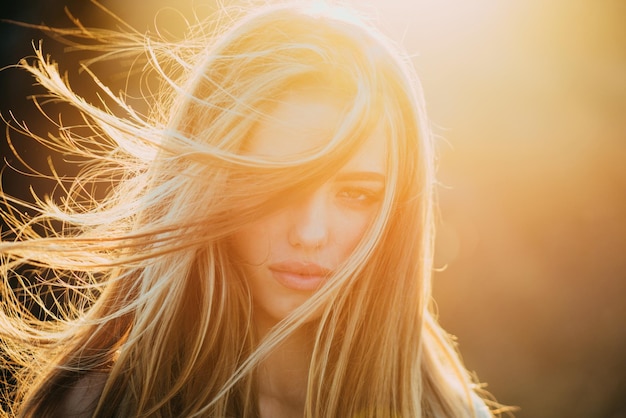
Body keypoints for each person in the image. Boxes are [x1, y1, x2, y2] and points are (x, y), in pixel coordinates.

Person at [0, 1, 509, 417]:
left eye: (356, 194)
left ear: (398, 211)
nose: (310, 233)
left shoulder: (450, 412)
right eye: (274, 184)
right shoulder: (99, 408)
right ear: (208, 186)